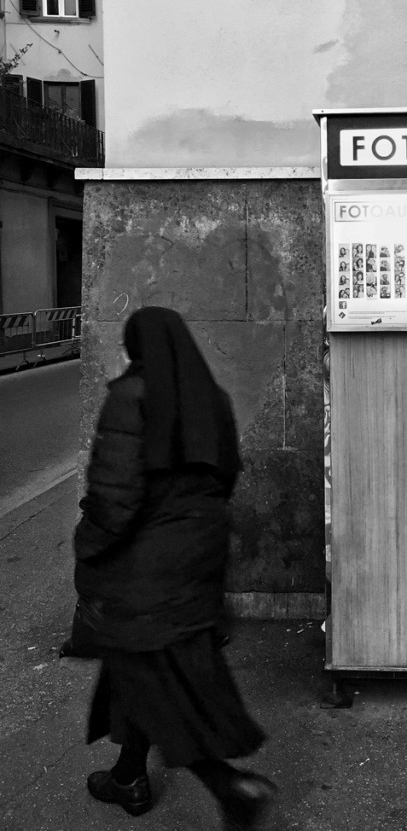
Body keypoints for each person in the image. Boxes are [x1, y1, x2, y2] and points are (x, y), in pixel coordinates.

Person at [74, 306, 276, 829]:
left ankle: (229, 785)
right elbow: (225, 478)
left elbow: (113, 500)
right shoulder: (215, 400)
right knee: (141, 666)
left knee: (147, 675)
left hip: (141, 566)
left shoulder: (130, 397)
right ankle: (128, 776)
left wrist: (87, 552)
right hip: (198, 560)